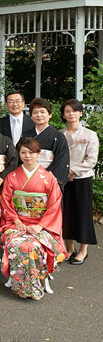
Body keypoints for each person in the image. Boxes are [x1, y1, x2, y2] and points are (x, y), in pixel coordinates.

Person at [0, 137, 67, 300]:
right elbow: (6, 202)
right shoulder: (12, 176)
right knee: (18, 243)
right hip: (17, 223)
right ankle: (23, 286)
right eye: (23, 152)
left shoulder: (49, 178)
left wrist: (40, 226)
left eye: (31, 152)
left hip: (42, 226)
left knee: (32, 246)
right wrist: (16, 220)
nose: (27, 155)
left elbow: (54, 207)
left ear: (38, 154)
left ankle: (33, 284)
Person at [61, 99, 99, 265]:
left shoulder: (90, 135)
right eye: (67, 111)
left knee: (83, 213)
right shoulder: (60, 134)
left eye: (74, 111)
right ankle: (69, 248)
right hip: (64, 179)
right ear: (63, 114)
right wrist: (64, 172)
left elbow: (92, 160)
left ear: (80, 113)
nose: (71, 114)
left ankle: (83, 250)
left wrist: (73, 170)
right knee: (66, 213)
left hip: (82, 178)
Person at [26, 98, 70, 188]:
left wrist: (43, 176)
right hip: (27, 178)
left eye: (42, 112)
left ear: (50, 114)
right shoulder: (25, 135)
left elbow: (61, 161)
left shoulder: (58, 136)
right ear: (31, 116)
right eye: (35, 112)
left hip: (49, 180)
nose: (39, 115)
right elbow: (20, 158)